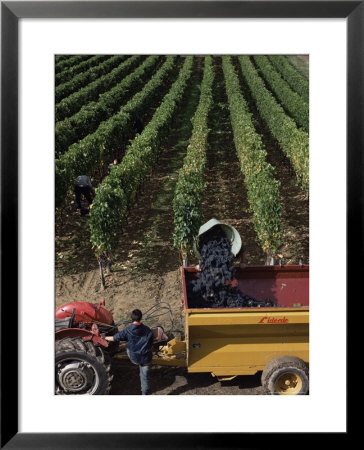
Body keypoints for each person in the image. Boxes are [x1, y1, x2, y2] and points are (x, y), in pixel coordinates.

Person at [105, 309, 154, 395]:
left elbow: (114, 338)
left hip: (134, 358)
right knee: (145, 376)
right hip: (146, 357)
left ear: (131, 318)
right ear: (141, 318)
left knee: (127, 345)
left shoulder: (128, 330)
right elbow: (151, 344)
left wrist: (103, 337)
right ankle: (145, 393)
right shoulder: (148, 330)